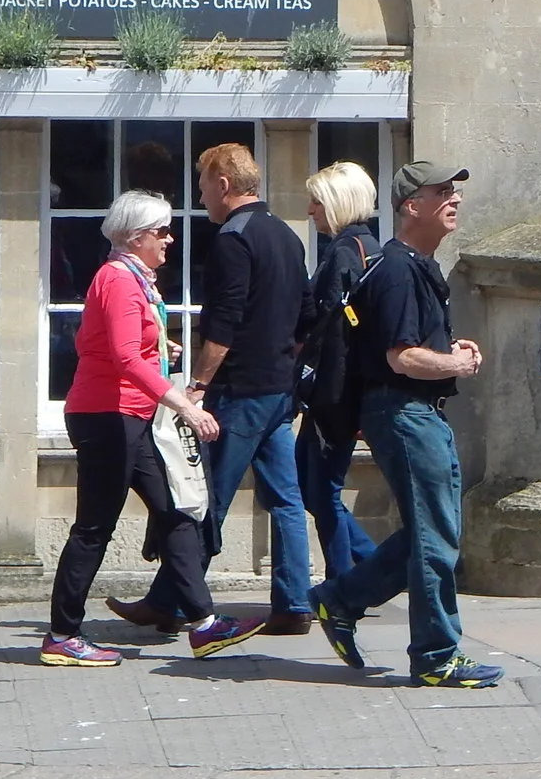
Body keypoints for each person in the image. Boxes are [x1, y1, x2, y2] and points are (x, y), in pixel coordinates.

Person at [45, 189, 264, 667]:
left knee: (175, 512)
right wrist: (184, 405)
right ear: (135, 237)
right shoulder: (119, 280)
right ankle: (62, 633)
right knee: (94, 526)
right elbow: (121, 358)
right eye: (161, 231)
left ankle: (204, 623)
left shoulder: (132, 279)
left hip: (132, 414)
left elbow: (98, 339)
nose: (169, 239)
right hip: (107, 416)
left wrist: (159, 347)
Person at [308, 161, 503, 689]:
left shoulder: (418, 265)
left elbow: (413, 346)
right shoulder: (396, 268)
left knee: (430, 533)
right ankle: (437, 655)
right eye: (442, 191)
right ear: (410, 206)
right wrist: (454, 365)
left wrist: (451, 349)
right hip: (405, 412)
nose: (454, 199)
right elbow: (401, 357)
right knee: (438, 538)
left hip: (412, 412)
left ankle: (340, 599)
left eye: (455, 190)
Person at [111, 143, 313, 637]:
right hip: (278, 389)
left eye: (202, 184)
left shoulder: (233, 239)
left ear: (223, 185)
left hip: (241, 391)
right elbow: (308, 316)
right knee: (286, 498)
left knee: (204, 497)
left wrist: (198, 384)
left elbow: (223, 324)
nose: (199, 196)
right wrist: (282, 361)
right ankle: (293, 603)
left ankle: (174, 604)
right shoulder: (287, 235)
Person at [297, 160, 383, 583]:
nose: (311, 210)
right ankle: (370, 566)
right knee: (313, 486)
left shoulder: (344, 254)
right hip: (348, 394)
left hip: (335, 396)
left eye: (317, 201)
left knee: (321, 490)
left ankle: (349, 580)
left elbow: (330, 334)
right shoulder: (370, 249)